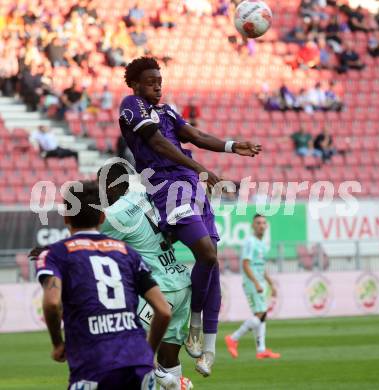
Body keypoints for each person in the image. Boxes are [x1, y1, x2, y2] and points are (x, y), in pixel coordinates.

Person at [119, 56, 261, 376]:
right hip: (168, 187)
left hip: (193, 188)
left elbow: (195, 136)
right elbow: (155, 142)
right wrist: (197, 167)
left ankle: (206, 347)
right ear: (136, 84)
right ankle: (194, 322)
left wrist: (231, 145)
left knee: (212, 262)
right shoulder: (132, 105)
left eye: (160, 79)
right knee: (206, 254)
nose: (158, 84)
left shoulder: (167, 110)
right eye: (151, 80)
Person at [33, 180, 171, 389]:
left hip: (94, 365)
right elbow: (163, 311)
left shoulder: (55, 254)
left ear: (66, 217)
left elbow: (52, 303)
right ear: (103, 216)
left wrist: (57, 343)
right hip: (139, 363)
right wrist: (147, 352)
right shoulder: (128, 253)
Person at [98, 161, 193, 389]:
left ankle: (171, 382)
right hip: (181, 282)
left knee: (127, 346)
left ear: (110, 186)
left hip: (159, 289)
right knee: (169, 357)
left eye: (102, 188)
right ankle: (173, 380)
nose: (102, 195)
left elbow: (87, 238)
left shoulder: (115, 213)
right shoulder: (147, 196)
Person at [225, 214, 280, 360]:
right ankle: (233, 338)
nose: (261, 225)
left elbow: (261, 267)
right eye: (258, 223)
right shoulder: (250, 242)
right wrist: (255, 282)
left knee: (262, 315)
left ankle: (261, 349)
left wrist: (270, 283)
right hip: (252, 282)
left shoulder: (262, 244)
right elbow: (245, 264)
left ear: (266, 226)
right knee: (260, 313)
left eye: (263, 223)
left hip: (259, 282)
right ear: (253, 226)